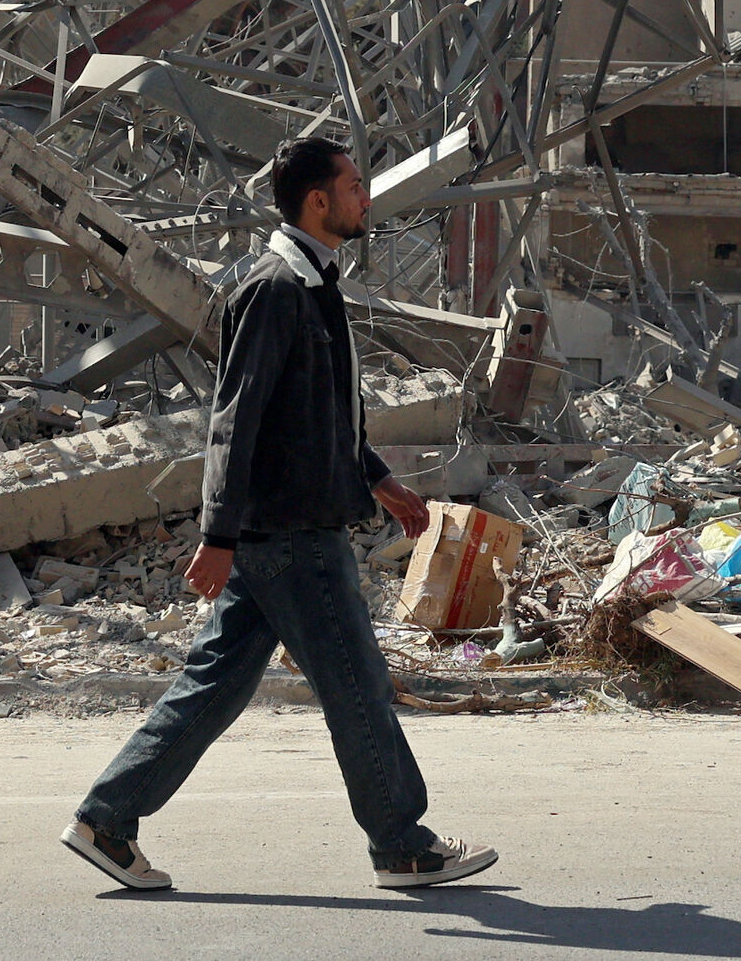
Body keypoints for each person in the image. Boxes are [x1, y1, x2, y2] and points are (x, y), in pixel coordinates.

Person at [61, 136, 497, 891]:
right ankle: (400, 843)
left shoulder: (315, 282)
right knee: (357, 683)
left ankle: (106, 820)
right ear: (317, 202)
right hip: (290, 535)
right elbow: (237, 421)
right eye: (355, 186)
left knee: (216, 687)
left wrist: (380, 479)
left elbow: (319, 414)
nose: (367, 199)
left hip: (290, 528)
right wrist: (219, 536)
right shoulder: (274, 288)